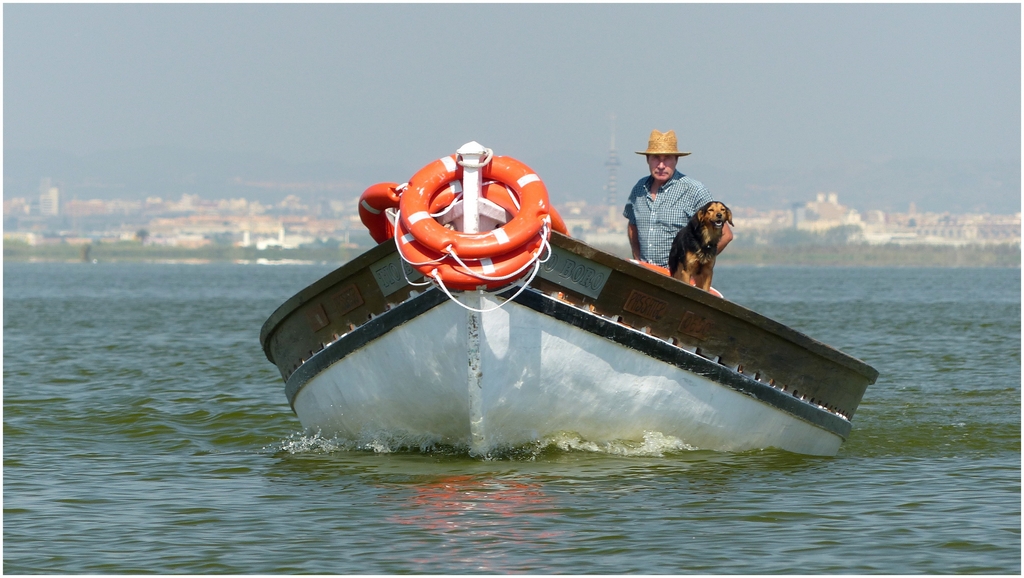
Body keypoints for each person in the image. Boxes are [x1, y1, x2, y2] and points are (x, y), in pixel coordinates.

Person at [623, 129, 732, 268]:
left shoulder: (693, 190)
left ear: (676, 159)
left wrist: (696, 266)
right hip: (646, 275)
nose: (661, 165)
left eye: (667, 158)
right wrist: (637, 259)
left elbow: (725, 234)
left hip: (678, 276)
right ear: (647, 159)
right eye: (656, 158)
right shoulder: (639, 189)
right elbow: (633, 225)